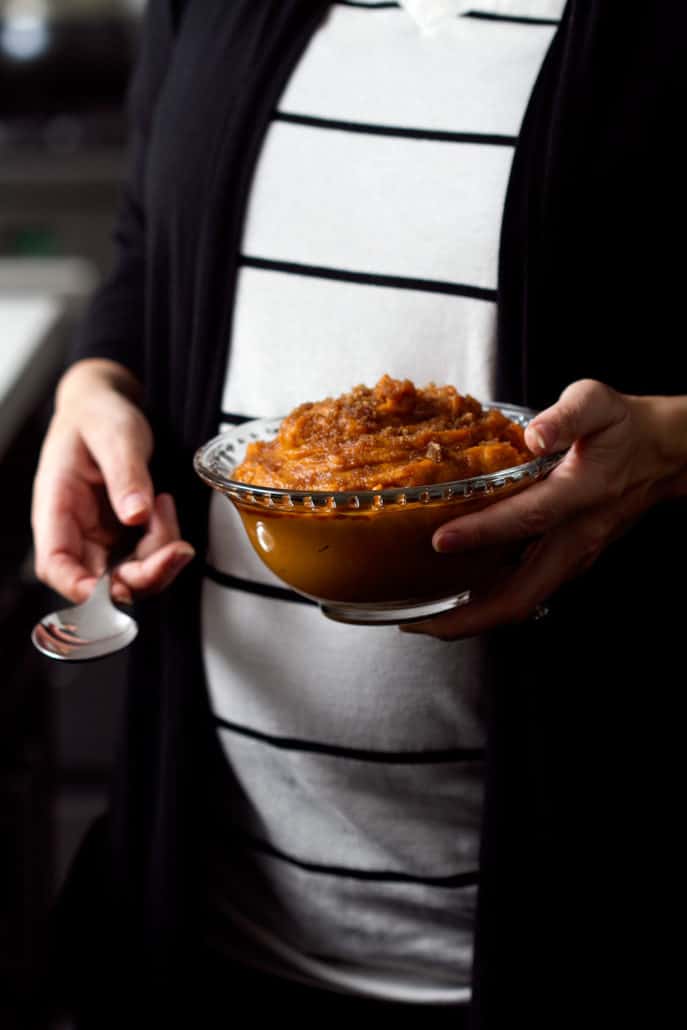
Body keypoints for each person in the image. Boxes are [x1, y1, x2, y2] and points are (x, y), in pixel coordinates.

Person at [30, 1, 687, 1027]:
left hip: (585, 927)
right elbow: (148, 244)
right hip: (218, 921)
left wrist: (676, 447)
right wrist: (95, 384)